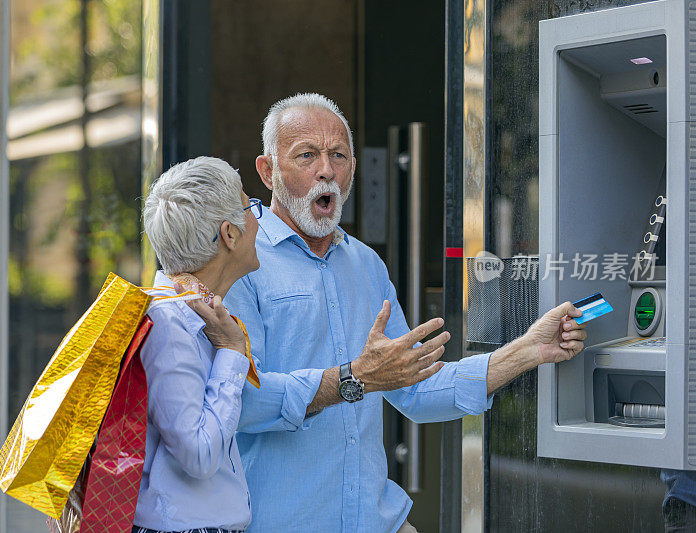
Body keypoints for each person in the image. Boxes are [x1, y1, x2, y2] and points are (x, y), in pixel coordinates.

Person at [188, 93, 587, 532]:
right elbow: (239, 402)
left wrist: (530, 349)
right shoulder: (240, 262)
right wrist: (352, 379)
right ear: (267, 171)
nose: (326, 170)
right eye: (307, 155)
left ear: (353, 169)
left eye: (338, 155)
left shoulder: (366, 264)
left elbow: (414, 390)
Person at [133, 156, 263, 533]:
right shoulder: (166, 322)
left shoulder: (199, 312)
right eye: (250, 206)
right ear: (230, 234)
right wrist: (231, 354)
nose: (258, 219)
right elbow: (199, 453)